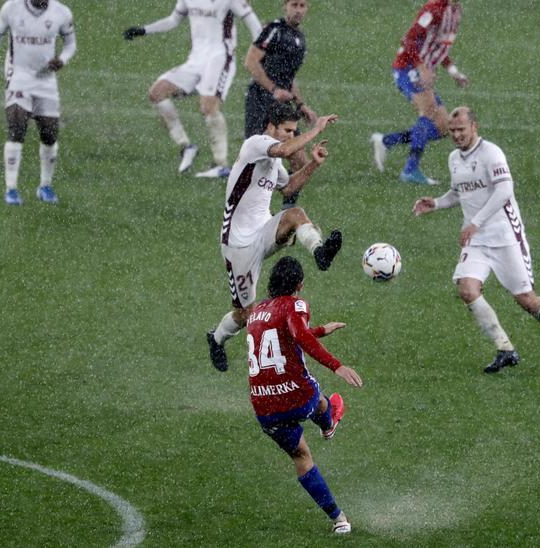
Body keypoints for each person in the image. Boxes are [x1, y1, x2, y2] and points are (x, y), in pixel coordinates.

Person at [412, 107, 540, 373]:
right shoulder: (454, 158)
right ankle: (505, 349)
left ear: (475, 127)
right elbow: (460, 191)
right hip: (476, 240)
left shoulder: (491, 154)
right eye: (452, 131)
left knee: (527, 300)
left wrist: (475, 222)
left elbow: (504, 190)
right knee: (467, 289)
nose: (457, 135)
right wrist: (436, 203)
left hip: (506, 236)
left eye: (461, 130)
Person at [206, 102, 342, 373]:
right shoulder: (255, 145)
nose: (290, 136)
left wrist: (313, 164)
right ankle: (216, 338)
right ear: (270, 127)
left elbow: (289, 185)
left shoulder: (274, 164)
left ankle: (320, 252)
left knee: (295, 213)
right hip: (238, 244)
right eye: (286, 130)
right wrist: (315, 128)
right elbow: (286, 149)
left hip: (263, 232)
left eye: (294, 131)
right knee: (246, 314)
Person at [246, 256, 362, 534]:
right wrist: (337, 365)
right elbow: (298, 335)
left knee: (302, 457)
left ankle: (339, 520)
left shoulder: (256, 311)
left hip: (265, 406)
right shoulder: (295, 304)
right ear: (299, 285)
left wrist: (320, 330)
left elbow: (286, 336)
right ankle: (329, 423)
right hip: (297, 396)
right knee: (318, 399)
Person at [123, 0, 263, 177]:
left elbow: (256, 27)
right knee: (156, 93)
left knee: (208, 107)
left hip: (220, 58)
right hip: (195, 60)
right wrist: (144, 30)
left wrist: (261, 54)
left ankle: (221, 165)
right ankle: (186, 147)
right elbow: (174, 20)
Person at [0, 0, 77, 206]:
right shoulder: (11, 8)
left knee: (49, 133)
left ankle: (45, 186)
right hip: (19, 76)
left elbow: (70, 44)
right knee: (17, 127)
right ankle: (11, 189)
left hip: (46, 81)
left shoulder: (62, 12)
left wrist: (62, 59)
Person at [370, 0, 468, 186]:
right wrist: (421, 67)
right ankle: (410, 170)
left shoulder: (454, 12)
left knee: (442, 127)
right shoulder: (434, 9)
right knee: (429, 111)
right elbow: (409, 40)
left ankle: (386, 141)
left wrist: (454, 72)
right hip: (407, 67)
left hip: (417, 68)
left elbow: (439, 47)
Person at [245, 0, 314, 208]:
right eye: (294, 5)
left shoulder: (300, 39)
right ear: (285, 6)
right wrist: (273, 90)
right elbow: (250, 61)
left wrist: (302, 106)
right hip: (261, 102)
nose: (298, 10)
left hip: (283, 108)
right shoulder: (274, 30)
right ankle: (247, 208)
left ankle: (288, 209)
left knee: (300, 159)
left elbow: (289, 77)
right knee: (256, 159)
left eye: (302, 6)